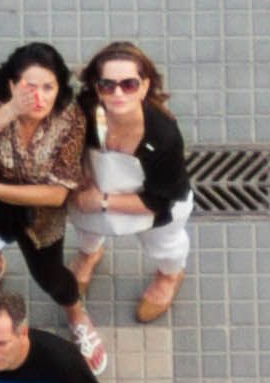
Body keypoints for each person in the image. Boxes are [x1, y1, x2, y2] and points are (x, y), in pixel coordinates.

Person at [0, 42, 92, 349]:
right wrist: (13, 109)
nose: (40, 97)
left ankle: (76, 316)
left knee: (51, 276)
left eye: (49, 87)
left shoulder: (71, 120)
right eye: (30, 87)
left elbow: (58, 195)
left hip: (39, 214)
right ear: (13, 85)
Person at [71, 42, 194, 326]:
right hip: (96, 184)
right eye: (107, 85)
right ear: (96, 86)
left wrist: (102, 201)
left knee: (165, 244)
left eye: (128, 84)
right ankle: (89, 254)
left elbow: (161, 201)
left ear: (144, 86)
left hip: (151, 202)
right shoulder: (88, 111)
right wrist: (80, 177)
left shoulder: (163, 137)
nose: (117, 93)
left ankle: (169, 275)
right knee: (86, 227)